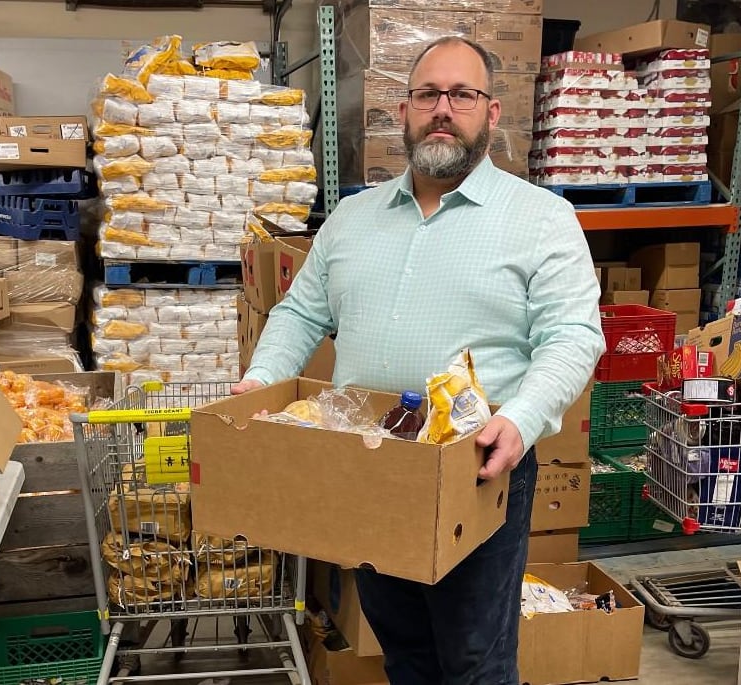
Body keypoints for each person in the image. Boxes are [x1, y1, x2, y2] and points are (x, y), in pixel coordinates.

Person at [231, 36, 605, 684]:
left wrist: (519, 420)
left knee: (474, 659)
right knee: (403, 647)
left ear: (491, 113)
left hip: (479, 465)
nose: (443, 108)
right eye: (428, 94)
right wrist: (260, 380)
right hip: (370, 464)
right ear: (403, 111)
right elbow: (297, 313)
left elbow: (574, 335)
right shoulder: (352, 218)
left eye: (462, 94)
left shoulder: (542, 219)